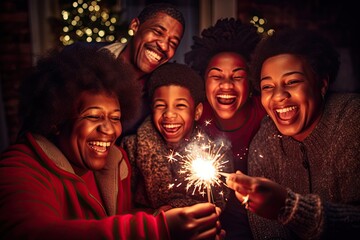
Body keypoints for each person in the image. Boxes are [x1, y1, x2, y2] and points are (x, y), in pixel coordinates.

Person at [0, 43, 223, 240]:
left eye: (115, 118)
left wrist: (159, 217)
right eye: (94, 116)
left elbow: (116, 221)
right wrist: (157, 229)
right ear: (57, 118)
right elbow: (31, 234)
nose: (108, 129)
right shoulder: (17, 168)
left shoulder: (116, 163)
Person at [225, 28, 360, 239]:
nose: (279, 96)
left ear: (322, 84)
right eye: (267, 87)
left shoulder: (352, 121)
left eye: (292, 82)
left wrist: (288, 207)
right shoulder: (264, 142)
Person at [184, 18, 266, 239]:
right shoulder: (194, 117)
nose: (227, 85)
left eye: (237, 76)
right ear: (203, 80)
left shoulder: (267, 114)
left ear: (251, 83)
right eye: (216, 76)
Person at [121, 62, 232, 213]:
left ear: (197, 112)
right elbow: (121, 207)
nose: (169, 114)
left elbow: (219, 201)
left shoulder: (216, 151)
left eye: (180, 105)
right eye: (160, 105)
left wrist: (177, 208)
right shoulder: (131, 148)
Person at [101, 2, 185, 137]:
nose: (164, 46)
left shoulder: (159, 93)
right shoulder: (85, 58)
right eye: (157, 32)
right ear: (135, 26)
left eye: (173, 43)